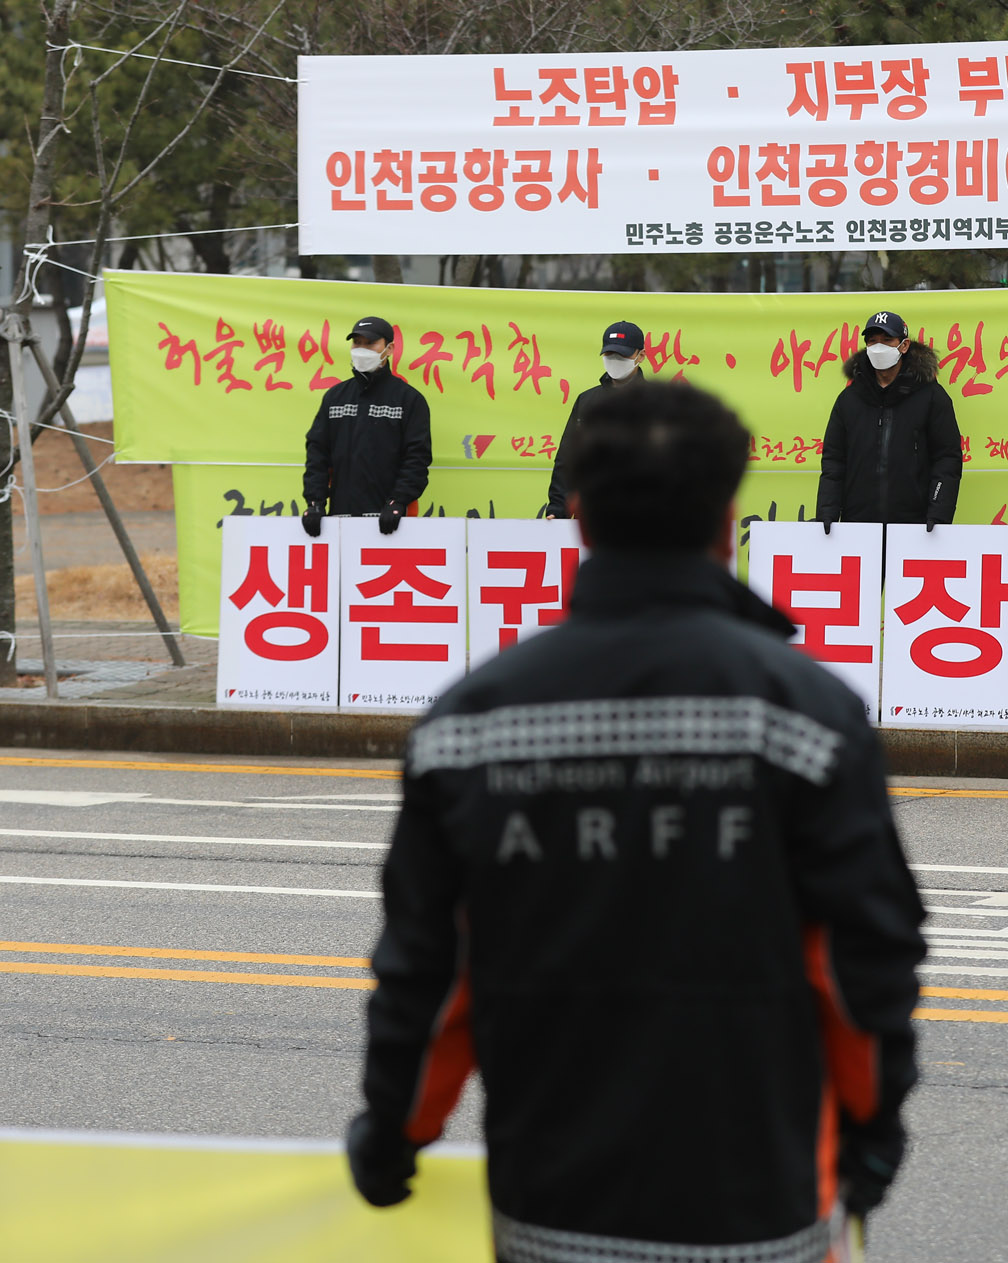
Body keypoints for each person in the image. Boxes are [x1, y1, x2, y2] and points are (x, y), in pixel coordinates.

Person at [347, 380, 927, 1263]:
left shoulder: (469, 727)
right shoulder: (806, 716)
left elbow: (433, 969)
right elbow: (861, 958)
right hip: (762, 1208)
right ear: (728, 518)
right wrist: (873, 1126)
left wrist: (395, 1129)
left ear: (577, 514)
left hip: (552, 1213)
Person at [814, 310, 962, 533]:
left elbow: (947, 459)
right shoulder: (849, 400)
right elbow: (834, 462)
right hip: (858, 526)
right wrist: (827, 513)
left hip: (914, 527)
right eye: (872, 341)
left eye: (886, 340)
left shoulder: (931, 397)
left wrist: (938, 515)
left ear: (903, 346)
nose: (878, 347)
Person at [301, 315, 432, 537]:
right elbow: (317, 453)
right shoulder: (335, 397)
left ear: (389, 348)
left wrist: (398, 501)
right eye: (357, 343)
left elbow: (417, 458)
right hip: (340, 519)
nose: (361, 349)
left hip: (392, 520)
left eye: (370, 343)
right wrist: (315, 502)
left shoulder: (408, 399)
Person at [545, 320, 646, 518]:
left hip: (643, 516)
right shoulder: (587, 401)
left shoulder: (656, 402)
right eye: (609, 354)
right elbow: (568, 458)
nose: (614, 359)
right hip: (594, 515)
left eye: (622, 354)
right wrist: (558, 508)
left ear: (640, 356)